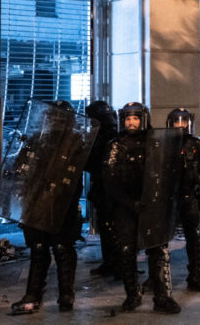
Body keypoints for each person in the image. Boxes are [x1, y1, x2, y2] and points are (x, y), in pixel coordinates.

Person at [10, 101, 86, 314]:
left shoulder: (76, 142)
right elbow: (21, 166)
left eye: (61, 118)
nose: (56, 121)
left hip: (62, 203)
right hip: (37, 202)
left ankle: (66, 295)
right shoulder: (37, 139)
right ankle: (32, 294)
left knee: (63, 248)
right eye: (53, 117)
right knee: (38, 248)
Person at [105, 102, 181, 313]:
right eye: (128, 118)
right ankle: (132, 294)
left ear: (143, 119)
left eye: (135, 118)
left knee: (158, 248)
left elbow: (166, 171)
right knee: (127, 250)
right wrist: (129, 203)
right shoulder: (115, 145)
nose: (131, 122)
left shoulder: (155, 141)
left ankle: (162, 297)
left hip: (151, 203)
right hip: (125, 205)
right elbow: (110, 180)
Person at [167, 108, 200, 291]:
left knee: (194, 237)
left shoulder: (197, 144)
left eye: (184, 121)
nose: (180, 125)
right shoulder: (163, 144)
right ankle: (157, 277)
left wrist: (199, 178)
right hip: (169, 197)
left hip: (190, 196)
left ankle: (195, 276)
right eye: (177, 121)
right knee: (159, 239)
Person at [85, 101, 119, 278]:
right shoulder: (110, 134)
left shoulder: (104, 137)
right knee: (108, 229)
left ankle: (115, 264)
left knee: (109, 228)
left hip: (107, 190)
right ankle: (112, 263)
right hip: (107, 189)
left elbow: (92, 162)